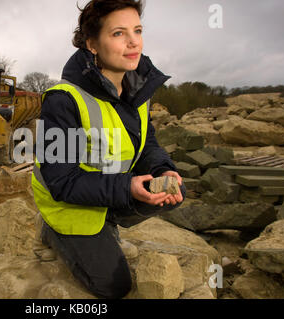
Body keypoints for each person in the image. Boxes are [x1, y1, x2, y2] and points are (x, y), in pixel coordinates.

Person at [31, 0, 186, 299]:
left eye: (137, 30)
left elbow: (147, 142)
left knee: (172, 193)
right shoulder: (64, 100)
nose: (133, 42)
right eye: (118, 33)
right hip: (67, 202)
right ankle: (54, 231)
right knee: (114, 287)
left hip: (108, 190)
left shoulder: (137, 88)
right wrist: (128, 188)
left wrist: (161, 169)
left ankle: (107, 223)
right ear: (92, 44)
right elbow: (62, 181)